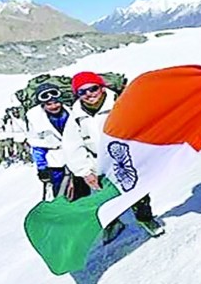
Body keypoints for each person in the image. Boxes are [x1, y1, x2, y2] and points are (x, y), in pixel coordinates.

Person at [63, 71, 165, 239]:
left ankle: (145, 219)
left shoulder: (120, 103)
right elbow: (72, 145)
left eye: (93, 89)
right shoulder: (76, 116)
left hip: (125, 157)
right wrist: (85, 171)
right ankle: (113, 223)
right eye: (82, 92)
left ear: (101, 88)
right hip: (98, 163)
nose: (89, 94)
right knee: (105, 197)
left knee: (137, 192)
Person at [27, 83, 71, 198]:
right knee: (60, 191)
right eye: (49, 104)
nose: (54, 106)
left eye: (56, 102)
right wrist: (42, 168)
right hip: (55, 162)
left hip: (75, 156)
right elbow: (37, 146)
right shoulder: (36, 120)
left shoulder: (69, 113)